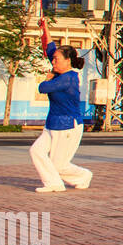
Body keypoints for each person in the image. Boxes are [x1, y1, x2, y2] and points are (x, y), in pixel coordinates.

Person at [30, 41, 93, 193]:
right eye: (53, 59)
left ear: (68, 61)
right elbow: (51, 49)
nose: (53, 62)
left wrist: (48, 78)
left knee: (59, 165)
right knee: (36, 151)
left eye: (56, 59)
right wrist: (44, 27)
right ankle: (54, 183)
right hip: (52, 123)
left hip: (67, 125)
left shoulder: (69, 78)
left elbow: (43, 88)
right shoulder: (60, 74)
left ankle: (84, 175)